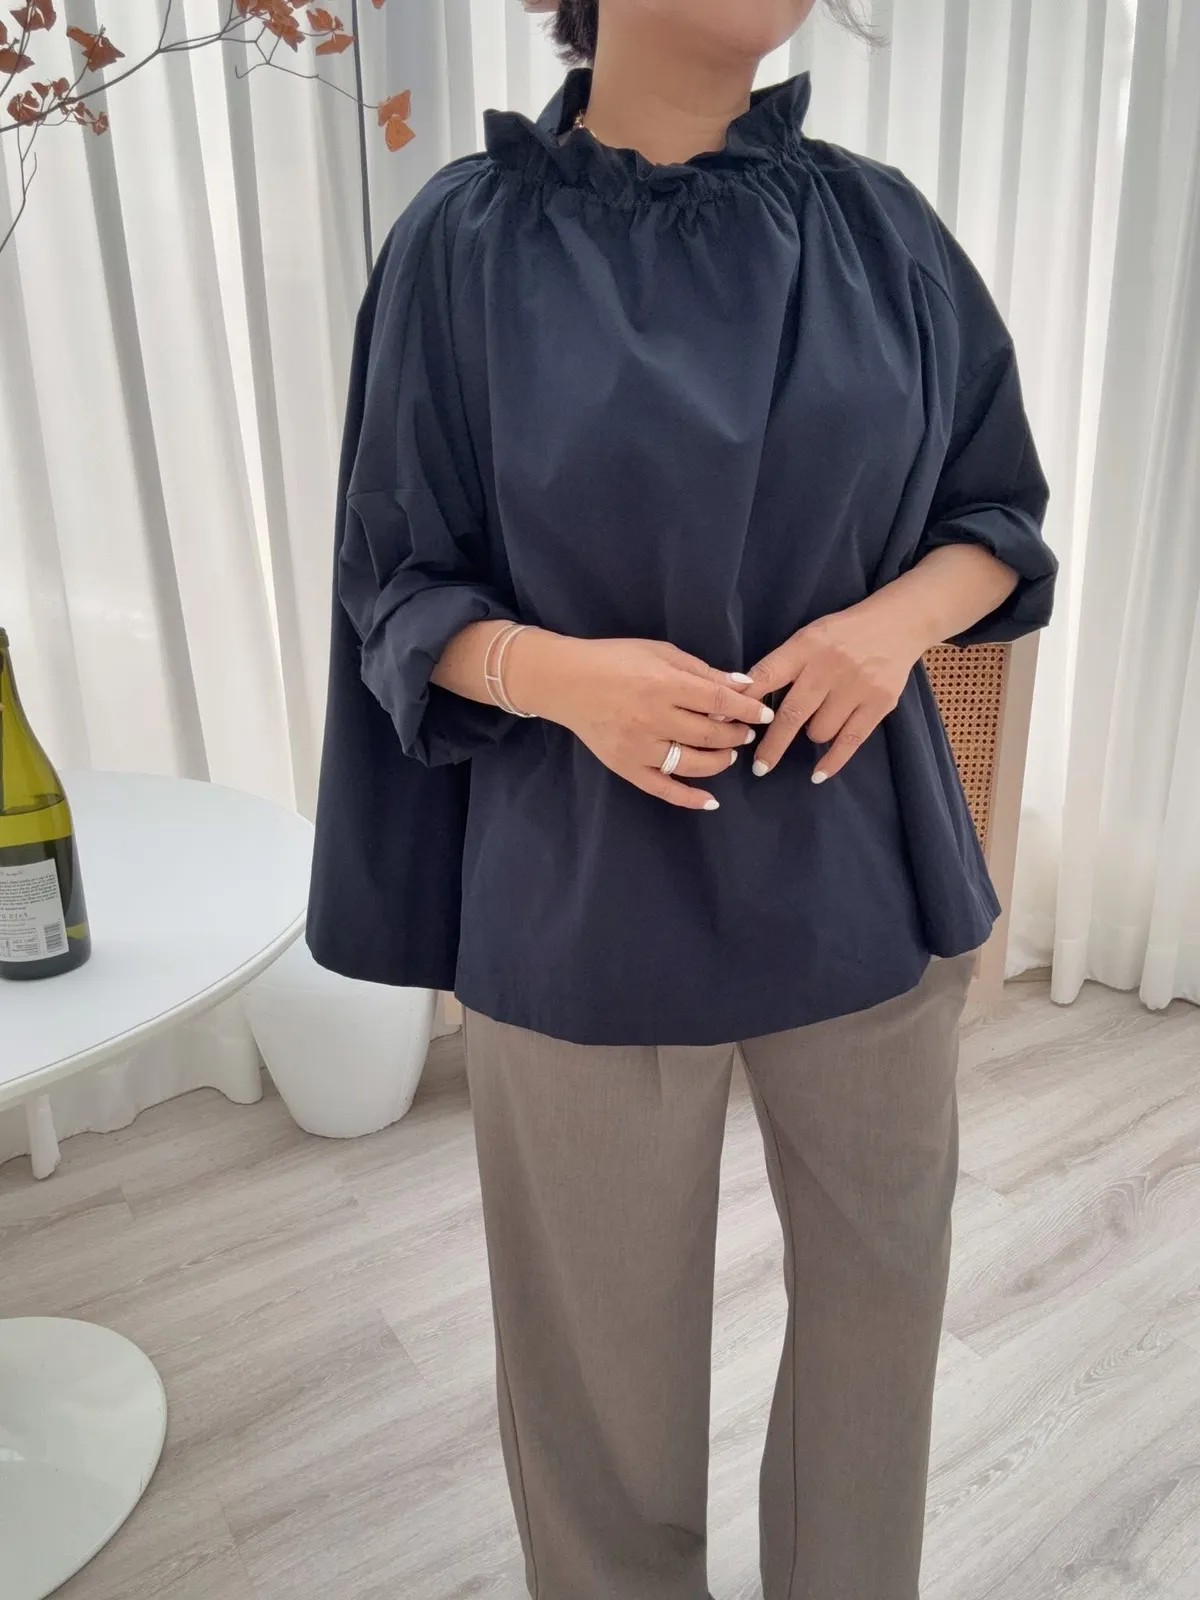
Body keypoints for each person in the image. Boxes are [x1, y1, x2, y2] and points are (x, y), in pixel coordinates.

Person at [307, 0, 1057, 1595]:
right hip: (582, 896)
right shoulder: (466, 244)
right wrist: (559, 676)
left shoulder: (878, 229)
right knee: (595, 1393)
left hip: (857, 870)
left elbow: (996, 516)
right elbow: (396, 586)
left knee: (878, 1332)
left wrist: (886, 627)